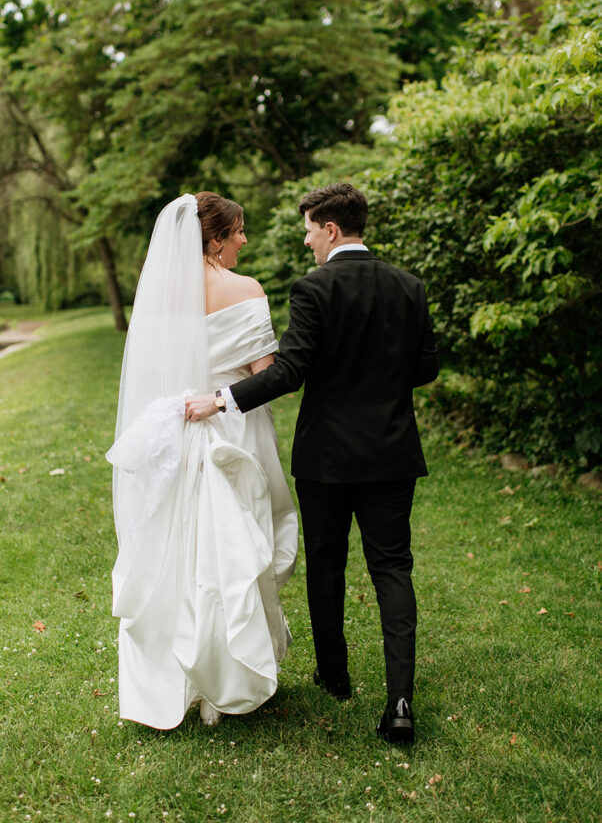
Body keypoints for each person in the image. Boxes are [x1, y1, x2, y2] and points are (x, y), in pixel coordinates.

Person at [185, 182, 438, 743]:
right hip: (394, 452)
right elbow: (426, 368)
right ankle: (399, 701)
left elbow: (290, 370)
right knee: (393, 569)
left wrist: (222, 398)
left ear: (329, 229)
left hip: (326, 456)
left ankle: (336, 676)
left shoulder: (313, 289)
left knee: (326, 562)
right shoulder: (409, 286)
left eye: (307, 231)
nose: (306, 243)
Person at [107, 192, 297, 729]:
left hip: (177, 433)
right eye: (237, 231)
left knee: (181, 552)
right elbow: (267, 371)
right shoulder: (245, 290)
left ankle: (180, 679)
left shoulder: (161, 293)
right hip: (233, 428)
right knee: (232, 546)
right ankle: (225, 679)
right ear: (215, 239)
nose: (243, 240)